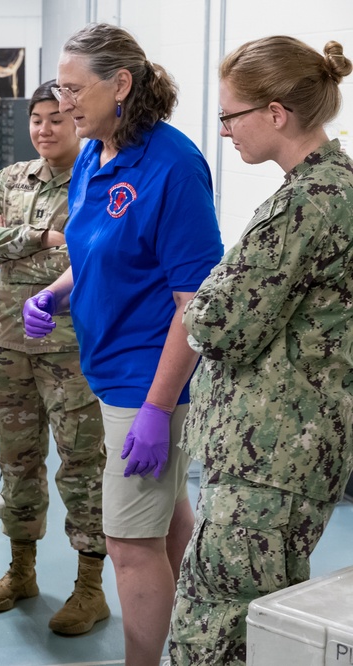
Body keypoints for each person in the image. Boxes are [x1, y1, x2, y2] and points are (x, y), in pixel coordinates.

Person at [22, 24, 223, 665]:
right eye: (60, 86)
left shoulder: (172, 166)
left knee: (129, 543)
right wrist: (55, 291)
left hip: (150, 379)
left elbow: (193, 301)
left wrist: (159, 410)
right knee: (167, 521)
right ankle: (199, 632)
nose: (64, 102)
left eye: (76, 89)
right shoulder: (95, 152)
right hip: (108, 367)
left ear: (122, 84)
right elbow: (96, 248)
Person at [169, 36, 353, 666]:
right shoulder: (332, 186)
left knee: (217, 629)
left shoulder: (307, 202)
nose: (224, 130)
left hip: (269, 462)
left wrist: (202, 298)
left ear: (276, 113)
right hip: (291, 452)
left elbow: (217, 323)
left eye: (231, 116)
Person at [0, 79, 109, 636]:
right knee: (16, 460)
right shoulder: (9, 179)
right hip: (7, 344)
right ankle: (21, 569)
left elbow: (93, 250)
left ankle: (89, 588)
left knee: (82, 467)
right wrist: (42, 236)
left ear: (77, 120)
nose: (45, 129)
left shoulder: (97, 181)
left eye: (57, 118)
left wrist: (19, 236)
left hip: (73, 348)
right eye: (38, 120)